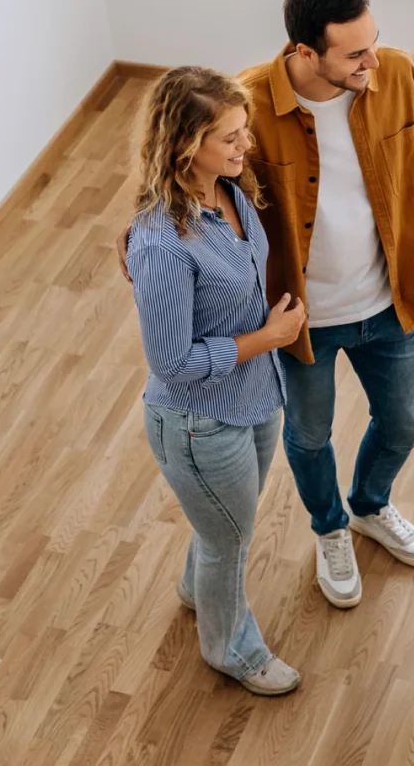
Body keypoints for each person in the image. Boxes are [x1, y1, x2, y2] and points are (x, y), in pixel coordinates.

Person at [240, 0, 414, 608]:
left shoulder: (399, 74)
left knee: (406, 423)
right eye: (354, 54)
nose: (371, 61)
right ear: (304, 52)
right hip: (302, 318)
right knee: (308, 435)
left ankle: (368, 506)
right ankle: (330, 530)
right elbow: (197, 190)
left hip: (389, 301)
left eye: (373, 43)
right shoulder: (245, 104)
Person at [125, 66, 307, 696]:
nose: (244, 146)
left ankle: (194, 587)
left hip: (255, 395)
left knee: (226, 523)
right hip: (200, 422)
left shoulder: (232, 190)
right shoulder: (162, 242)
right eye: (228, 138)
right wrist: (268, 339)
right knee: (232, 537)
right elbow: (170, 361)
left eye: (243, 131)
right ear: (185, 147)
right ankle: (232, 649)